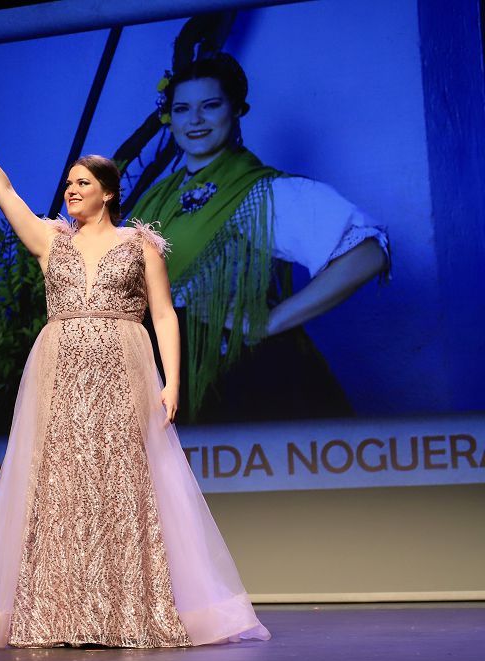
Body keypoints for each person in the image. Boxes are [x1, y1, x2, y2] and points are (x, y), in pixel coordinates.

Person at [0, 83, 270, 649]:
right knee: (62, 487)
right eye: (69, 183)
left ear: (108, 193)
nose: (71, 190)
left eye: (82, 183)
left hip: (124, 370)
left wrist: (173, 381)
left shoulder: (140, 243)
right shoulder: (50, 241)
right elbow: (2, 191)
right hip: (63, 372)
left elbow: (165, 316)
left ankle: (127, 612)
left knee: (123, 487)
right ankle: (58, 615)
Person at [119, 53, 392, 424]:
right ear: (170, 118)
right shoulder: (156, 198)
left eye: (210, 105)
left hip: (237, 379)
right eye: (182, 109)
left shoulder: (263, 193)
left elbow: (368, 254)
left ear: (236, 110)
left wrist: (272, 320)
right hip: (163, 378)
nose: (195, 119)